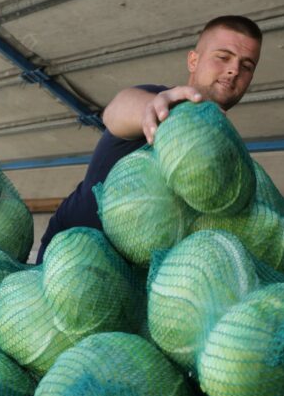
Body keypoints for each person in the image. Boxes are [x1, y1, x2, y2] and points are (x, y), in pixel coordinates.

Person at [35, 15, 262, 263]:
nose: (234, 70)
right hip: (71, 253)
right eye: (223, 57)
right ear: (193, 60)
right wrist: (154, 109)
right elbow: (115, 113)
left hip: (135, 277)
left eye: (247, 65)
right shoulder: (160, 100)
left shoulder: (225, 147)